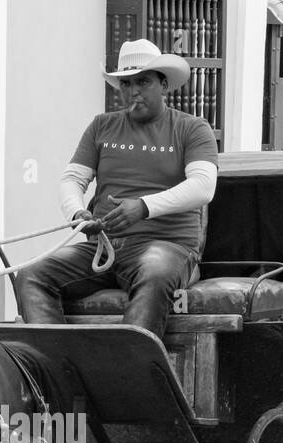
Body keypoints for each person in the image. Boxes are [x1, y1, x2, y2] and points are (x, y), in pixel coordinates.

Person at [13, 38, 219, 339]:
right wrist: (77, 213)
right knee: (31, 275)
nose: (133, 91)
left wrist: (143, 207)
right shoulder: (101, 126)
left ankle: (129, 365)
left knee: (155, 272)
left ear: (163, 85)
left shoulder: (192, 128)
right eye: (126, 83)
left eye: (143, 81)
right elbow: (72, 179)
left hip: (167, 245)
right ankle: (56, 362)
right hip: (103, 247)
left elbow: (203, 187)